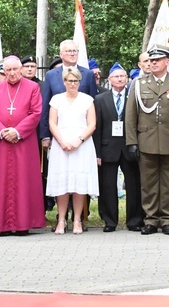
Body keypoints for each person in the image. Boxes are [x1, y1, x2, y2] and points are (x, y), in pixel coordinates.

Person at [125, 45, 169, 235]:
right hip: (146, 140)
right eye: (151, 60)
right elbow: (131, 116)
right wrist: (132, 142)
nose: (153, 63)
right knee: (148, 183)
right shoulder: (139, 84)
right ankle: (151, 219)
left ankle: (166, 219)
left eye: (157, 60)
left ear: (166, 62)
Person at [0, 56, 45, 235]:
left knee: (24, 180)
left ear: (21, 69)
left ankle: (23, 224)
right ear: (3, 72)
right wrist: (2, 131)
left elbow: (36, 112)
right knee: (2, 180)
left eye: (15, 69)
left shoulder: (32, 87)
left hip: (24, 142)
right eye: (7, 70)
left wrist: (17, 131)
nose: (12, 73)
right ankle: (2, 224)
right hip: (2, 142)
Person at [46, 66, 98, 235]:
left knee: (78, 184)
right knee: (62, 184)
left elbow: (92, 124)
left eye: (76, 81)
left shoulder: (87, 100)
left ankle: (77, 219)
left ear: (79, 82)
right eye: (70, 80)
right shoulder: (56, 100)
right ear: (64, 82)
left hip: (82, 146)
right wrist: (61, 141)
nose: (73, 83)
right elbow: (52, 123)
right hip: (61, 145)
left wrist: (79, 140)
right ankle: (61, 220)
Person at [93, 63, 143, 232]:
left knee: (133, 185)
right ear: (109, 80)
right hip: (108, 148)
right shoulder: (100, 99)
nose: (120, 79)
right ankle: (109, 220)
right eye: (116, 76)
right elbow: (97, 128)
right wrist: (97, 153)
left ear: (128, 79)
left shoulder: (134, 97)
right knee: (107, 185)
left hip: (130, 147)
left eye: (123, 76)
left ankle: (134, 220)